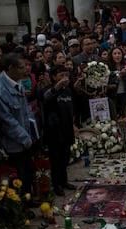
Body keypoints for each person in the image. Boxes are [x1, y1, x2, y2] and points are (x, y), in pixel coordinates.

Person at [0, 53, 39, 208]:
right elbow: (7, 121)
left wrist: (33, 131)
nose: (25, 70)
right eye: (21, 67)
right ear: (10, 68)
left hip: (26, 136)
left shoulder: (17, 82)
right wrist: (25, 138)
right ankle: (21, 207)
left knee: (28, 172)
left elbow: (26, 109)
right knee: (18, 175)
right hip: (13, 142)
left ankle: (28, 198)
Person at [43, 65, 76, 196]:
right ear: (53, 77)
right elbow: (46, 97)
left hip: (67, 129)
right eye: (61, 75)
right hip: (54, 131)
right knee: (55, 160)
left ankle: (64, 181)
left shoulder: (67, 91)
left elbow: (71, 108)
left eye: (66, 75)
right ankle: (56, 184)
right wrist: (57, 86)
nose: (64, 78)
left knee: (65, 157)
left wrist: (73, 125)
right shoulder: (49, 89)